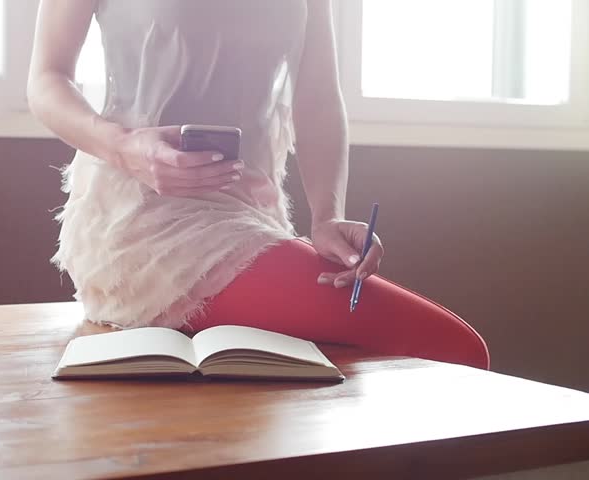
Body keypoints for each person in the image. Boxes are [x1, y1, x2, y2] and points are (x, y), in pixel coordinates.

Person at [28, 0, 489, 369]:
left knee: (444, 356)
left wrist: (326, 216)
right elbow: (46, 78)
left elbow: (319, 98)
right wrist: (125, 146)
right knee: (458, 350)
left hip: (252, 215)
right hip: (141, 223)